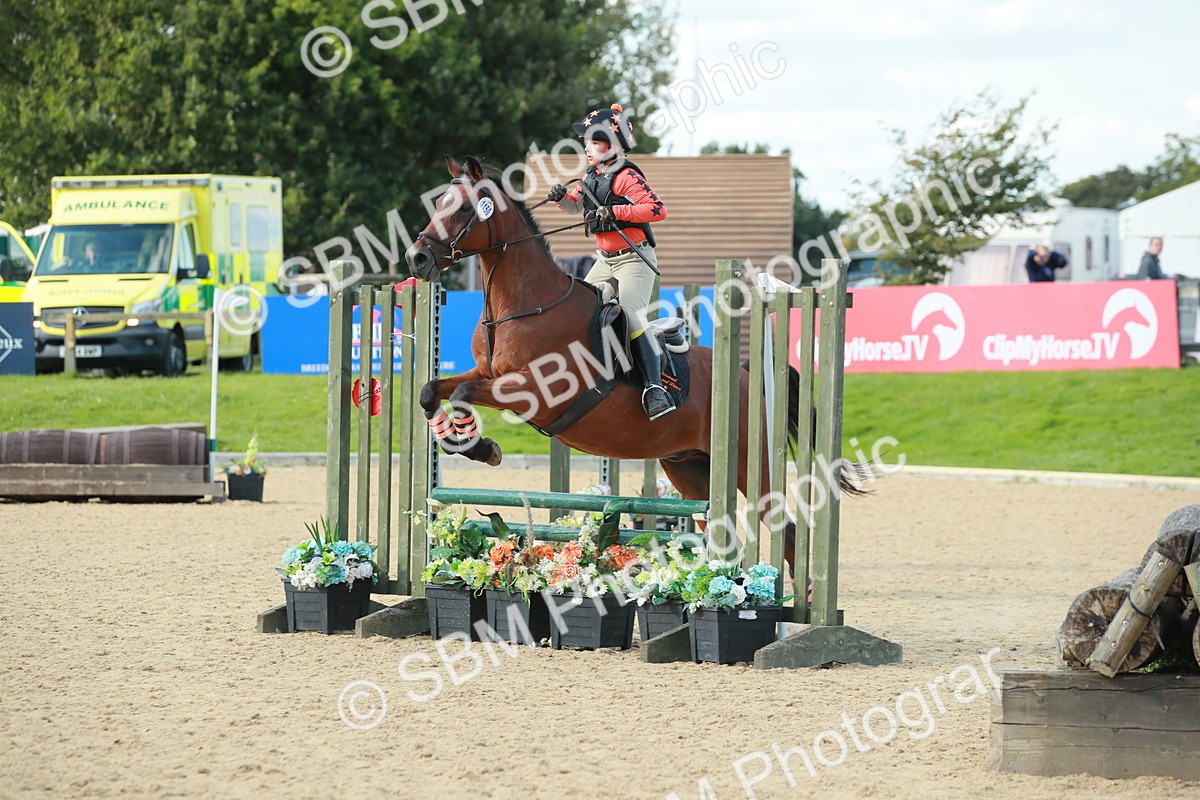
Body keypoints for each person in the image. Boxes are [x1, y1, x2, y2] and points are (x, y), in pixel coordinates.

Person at [546, 103, 672, 420]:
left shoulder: (626, 176)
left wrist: (616, 212)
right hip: (605, 260)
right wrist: (562, 197)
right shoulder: (591, 176)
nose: (587, 147)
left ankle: (655, 388)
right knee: (577, 309)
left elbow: (658, 210)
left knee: (629, 315)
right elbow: (576, 208)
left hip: (633, 260)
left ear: (612, 145)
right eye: (587, 141)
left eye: (594, 141)